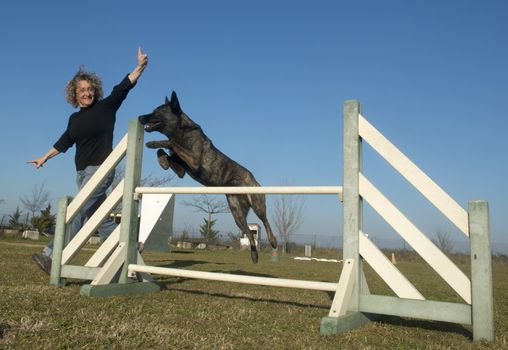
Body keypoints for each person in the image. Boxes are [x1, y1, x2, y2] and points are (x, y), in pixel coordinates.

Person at [28, 47, 149, 274]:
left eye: (90, 89)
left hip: (100, 170)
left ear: (96, 90)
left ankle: (50, 255)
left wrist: (140, 67)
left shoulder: (106, 107)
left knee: (77, 212)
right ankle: (131, 249)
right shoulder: (73, 118)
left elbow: (123, 87)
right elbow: (64, 141)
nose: (87, 93)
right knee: (100, 218)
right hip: (82, 173)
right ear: (74, 94)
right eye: (82, 90)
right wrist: (44, 157)